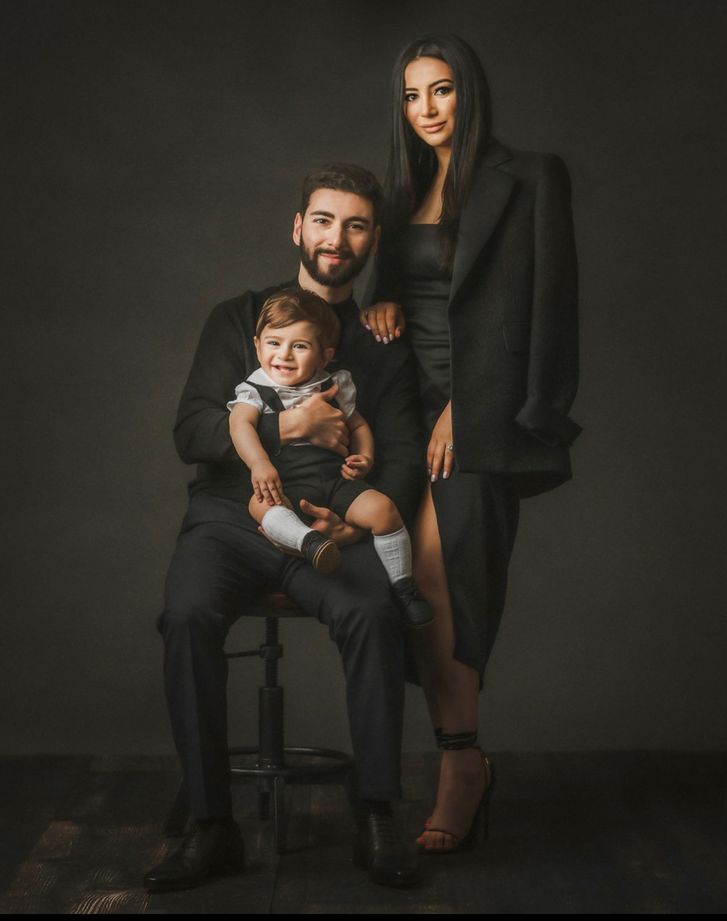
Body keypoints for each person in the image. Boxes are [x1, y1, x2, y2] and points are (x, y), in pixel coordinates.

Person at [144, 163, 425, 892]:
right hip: (230, 519)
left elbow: (396, 450)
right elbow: (192, 429)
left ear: (371, 239)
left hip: (327, 527)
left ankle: (375, 808)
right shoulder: (235, 318)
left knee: (371, 610)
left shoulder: (379, 337)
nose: (337, 238)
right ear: (298, 228)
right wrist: (285, 419)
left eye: (356, 224)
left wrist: (359, 523)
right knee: (187, 614)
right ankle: (211, 824)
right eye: (324, 220)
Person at [359, 34, 582, 853]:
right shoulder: (399, 191)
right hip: (397, 415)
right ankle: (451, 754)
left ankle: (460, 764)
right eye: (413, 96)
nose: (426, 110)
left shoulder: (528, 176)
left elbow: (550, 310)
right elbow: (393, 296)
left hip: (475, 418)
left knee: (437, 572)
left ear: (469, 92)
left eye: (441, 91)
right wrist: (376, 306)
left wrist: (475, 407)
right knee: (398, 582)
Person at [227, 286, 434, 628]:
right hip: (286, 484)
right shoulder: (256, 388)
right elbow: (240, 426)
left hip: (334, 481)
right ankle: (310, 542)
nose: (285, 355)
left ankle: (403, 585)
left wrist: (364, 456)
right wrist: (259, 464)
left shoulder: (334, 384)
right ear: (257, 345)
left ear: (325, 356)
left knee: (384, 511)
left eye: (300, 346)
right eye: (274, 343)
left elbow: (358, 424)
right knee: (260, 507)